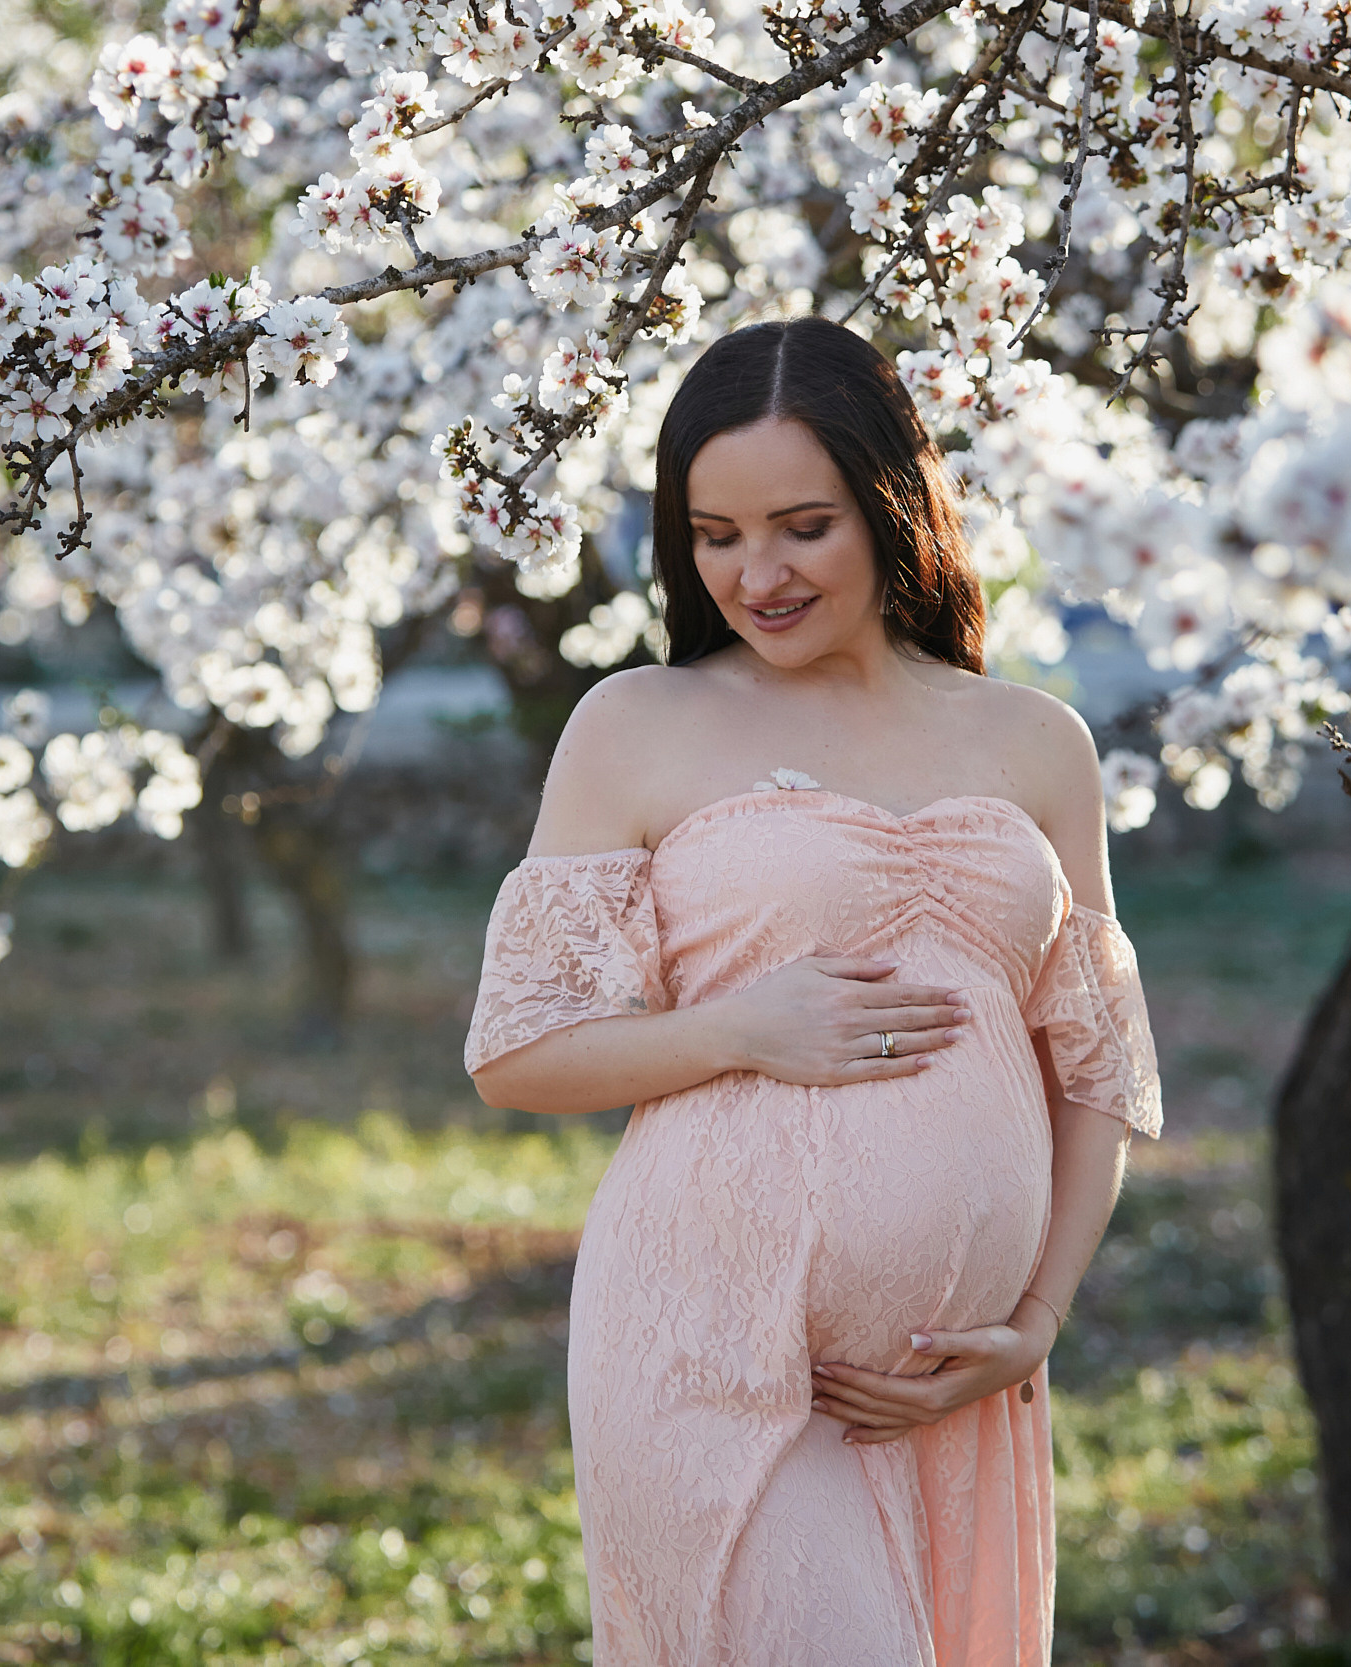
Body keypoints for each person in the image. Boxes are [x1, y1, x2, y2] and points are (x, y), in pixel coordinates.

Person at [464, 316, 1163, 1667]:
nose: (755, 574)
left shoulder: (1034, 742)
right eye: (715, 535)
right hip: (706, 1350)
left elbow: (1095, 1064)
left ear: (892, 507)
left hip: (948, 1380)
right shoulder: (637, 724)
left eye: (801, 526)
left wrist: (1036, 1323)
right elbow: (518, 1056)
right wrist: (736, 1030)